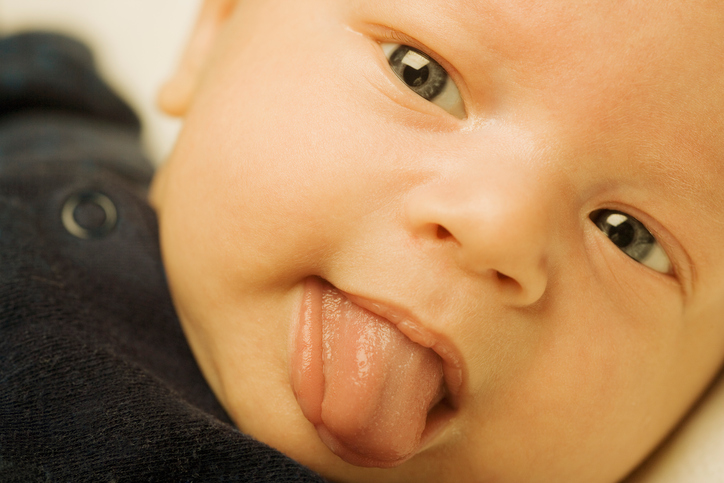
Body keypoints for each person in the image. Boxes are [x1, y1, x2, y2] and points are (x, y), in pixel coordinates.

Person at [2, 0, 724, 481]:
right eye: (422, 75)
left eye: (629, 237)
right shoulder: (41, 101)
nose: (495, 228)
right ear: (216, 32)